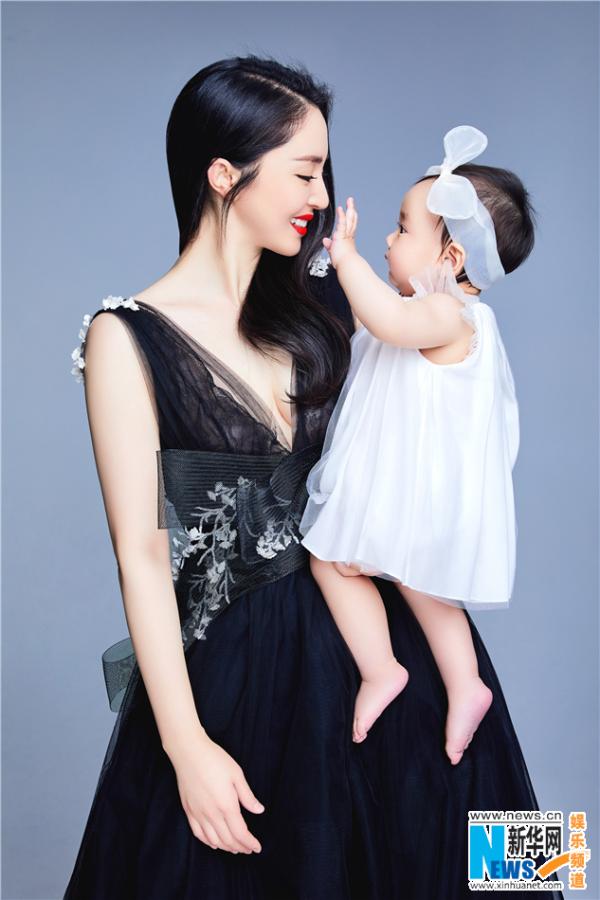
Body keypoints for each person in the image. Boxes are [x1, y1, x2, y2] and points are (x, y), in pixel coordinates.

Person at [64, 58, 564, 899]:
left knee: (515, 873)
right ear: (224, 174)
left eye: (324, 171)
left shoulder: (340, 302)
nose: (323, 196)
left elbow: (450, 394)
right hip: (242, 688)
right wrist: (185, 746)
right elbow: (141, 558)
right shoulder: (124, 337)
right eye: (304, 172)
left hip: (405, 658)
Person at [299, 126, 526, 764]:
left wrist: (346, 258)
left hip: (411, 494)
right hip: (412, 492)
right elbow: (372, 336)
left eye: (403, 230)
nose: (388, 240)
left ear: (450, 257)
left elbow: (387, 320)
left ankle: (383, 669)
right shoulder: (433, 312)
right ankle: (464, 683)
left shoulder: (444, 313)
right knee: (426, 591)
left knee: (331, 560)